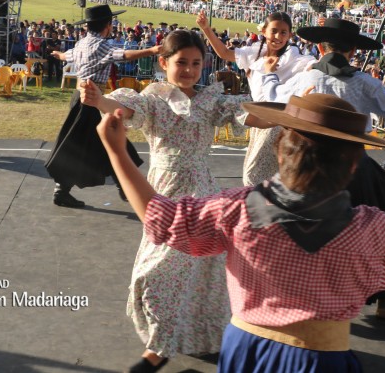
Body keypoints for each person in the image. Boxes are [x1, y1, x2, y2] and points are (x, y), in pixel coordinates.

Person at [95, 91, 385, 372]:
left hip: (246, 351)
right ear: (355, 164)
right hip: (324, 359)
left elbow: (162, 217)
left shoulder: (239, 209)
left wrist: (117, 154)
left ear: (279, 148)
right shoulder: (370, 228)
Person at [80, 29, 270, 372]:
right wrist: (98, 101)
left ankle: (198, 336)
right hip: (165, 189)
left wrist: (293, 117)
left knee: (207, 266)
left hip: (205, 190)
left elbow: (248, 114)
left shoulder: (211, 99)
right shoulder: (154, 99)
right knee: (158, 267)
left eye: (196, 63)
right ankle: (162, 337)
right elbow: (120, 108)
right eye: (181, 62)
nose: (189, 70)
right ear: (163, 62)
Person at [260, 17, 385, 318]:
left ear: (319, 46)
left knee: (291, 225)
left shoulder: (305, 78)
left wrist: (269, 74)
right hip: (352, 165)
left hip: (305, 168)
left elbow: (272, 101)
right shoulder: (363, 82)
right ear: (353, 50)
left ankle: (299, 292)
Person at [45, 4, 159, 208]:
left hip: (80, 99)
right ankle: (123, 187)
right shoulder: (101, 45)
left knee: (89, 143)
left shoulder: (81, 44)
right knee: (106, 141)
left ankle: (66, 190)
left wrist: (57, 54)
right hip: (91, 100)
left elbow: (67, 56)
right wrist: (152, 50)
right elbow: (123, 55)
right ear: (107, 25)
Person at [196, 10, 314, 188]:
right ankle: (270, 208)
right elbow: (224, 53)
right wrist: (206, 29)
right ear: (264, 31)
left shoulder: (294, 58)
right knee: (271, 175)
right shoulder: (253, 54)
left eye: (283, 32)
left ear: (290, 34)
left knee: (253, 175)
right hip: (260, 121)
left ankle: (265, 209)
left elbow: (312, 66)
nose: (278, 36)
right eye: (273, 31)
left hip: (279, 121)